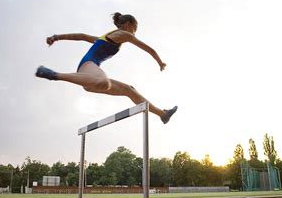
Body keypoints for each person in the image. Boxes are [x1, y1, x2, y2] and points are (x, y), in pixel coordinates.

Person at [36, 12, 178, 124]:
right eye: (135, 28)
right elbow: (149, 49)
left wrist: (56, 37)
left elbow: (81, 36)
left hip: (89, 74)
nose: (134, 32)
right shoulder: (124, 34)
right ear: (128, 24)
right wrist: (160, 62)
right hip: (88, 67)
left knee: (129, 90)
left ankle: (162, 115)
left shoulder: (106, 37)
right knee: (105, 83)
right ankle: (54, 74)